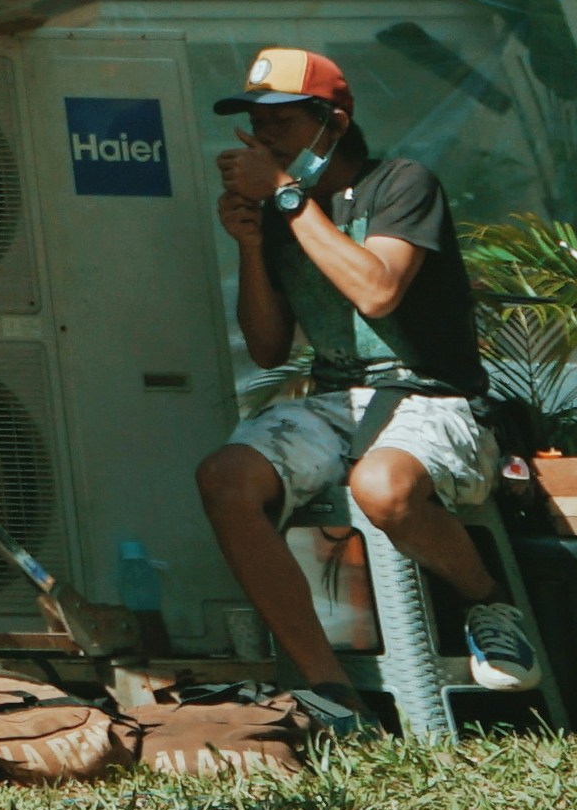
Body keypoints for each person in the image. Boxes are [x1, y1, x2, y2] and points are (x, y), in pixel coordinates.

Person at [194, 48, 543, 702]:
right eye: (254, 121)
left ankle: (485, 599)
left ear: (332, 123)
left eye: (282, 121)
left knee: (383, 486)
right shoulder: (285, 209)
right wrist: (250, 243)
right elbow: (269, 349)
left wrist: (286, 196)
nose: (264, 135)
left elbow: (378, 292)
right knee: (224, 476)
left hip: (433, 394)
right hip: (334, 397)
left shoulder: (402, 184)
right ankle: (329, 690)